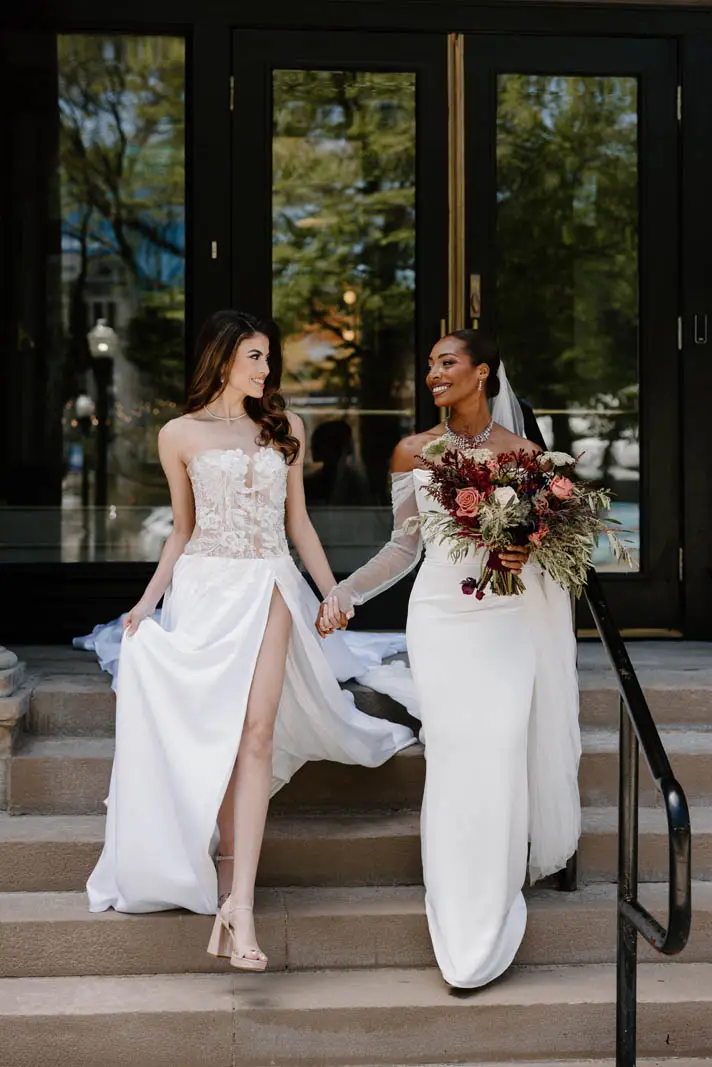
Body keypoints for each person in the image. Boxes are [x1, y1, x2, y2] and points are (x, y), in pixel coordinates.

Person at [85, 310, 414, 971]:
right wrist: (146, 604)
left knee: (257, 733)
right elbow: (180, 529)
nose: (267, 370)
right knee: (219, 730)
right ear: (223, 358)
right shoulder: (178, 433)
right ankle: (210, 866)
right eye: (256, 357)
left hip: (270, 585)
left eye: (269, 358)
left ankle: (241, 904)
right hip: (206, 589)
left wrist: (334, 591)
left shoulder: (285, 428)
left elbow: (301, 525)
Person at [318, 331, 580, 990]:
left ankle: (492, 899)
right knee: (458, 755)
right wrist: (344, 592)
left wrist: (532, 552)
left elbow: (551, 547)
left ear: (482, 372)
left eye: (447, 362)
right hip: (441, 621)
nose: (433, 373)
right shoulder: (412, 450)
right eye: (430, 364)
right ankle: (458, 908)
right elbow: (404, 549)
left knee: (497, 751)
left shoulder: (523, 455)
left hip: (507, 620)